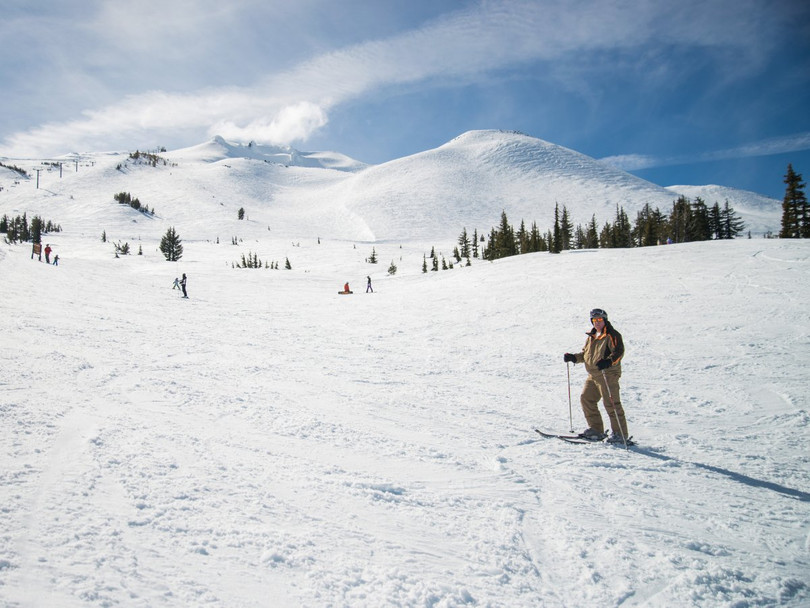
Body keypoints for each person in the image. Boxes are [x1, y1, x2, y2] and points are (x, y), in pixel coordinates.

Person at [563, 308, 630, 444]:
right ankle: (596, 430)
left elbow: (619, 352)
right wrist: (573, 358)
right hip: (593, 375)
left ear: (605, 320)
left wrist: (608, 361)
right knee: (586, 399)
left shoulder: (612, 335)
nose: (597, 323)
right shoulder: (592, 336)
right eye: (594, 320)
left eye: (599, 320)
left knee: (611, 404)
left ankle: (620, 434)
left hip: (608, 374)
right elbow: (586, 355)